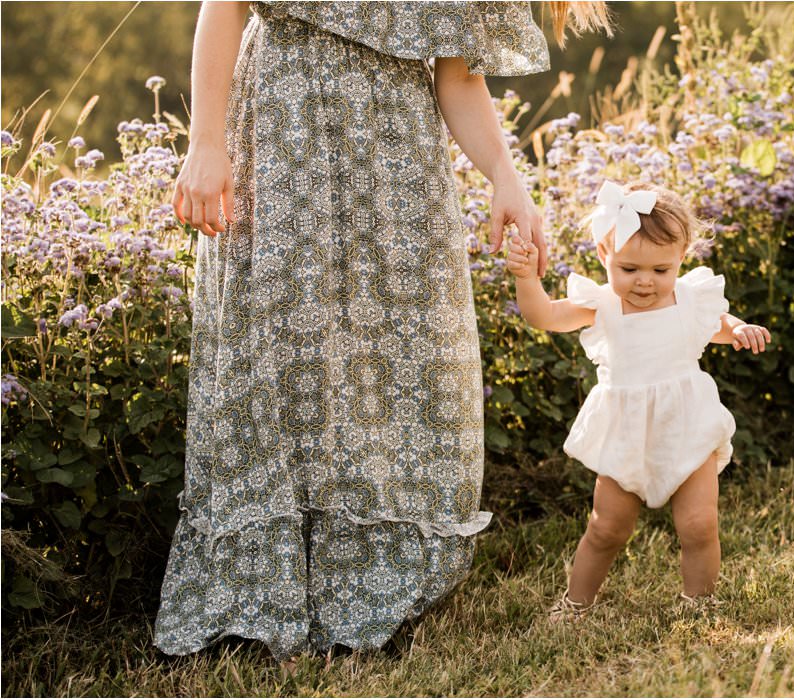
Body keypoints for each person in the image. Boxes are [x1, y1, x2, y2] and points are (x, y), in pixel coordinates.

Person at [155, 1, 609, 660]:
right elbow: (224, 5)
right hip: (283, 130)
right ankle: (259, 590)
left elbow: (457, 76)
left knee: (386, 360)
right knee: (281, 345)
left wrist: (507, 177)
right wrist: (206, 141)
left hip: (396, 159)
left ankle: (367, 585)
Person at [506, 180, 772, 620]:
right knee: (608, 528)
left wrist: (741, 329)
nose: (645, 282)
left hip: (686, 424)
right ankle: (575, 604)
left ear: (680, 261)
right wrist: (525, 277)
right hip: (626, 431)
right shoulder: (603, 306)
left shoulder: (690, 299)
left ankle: (699, 604)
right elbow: (544, 316)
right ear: (603, 257)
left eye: (661, 270)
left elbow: (719, 324)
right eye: (629, 269)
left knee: (699, 525)